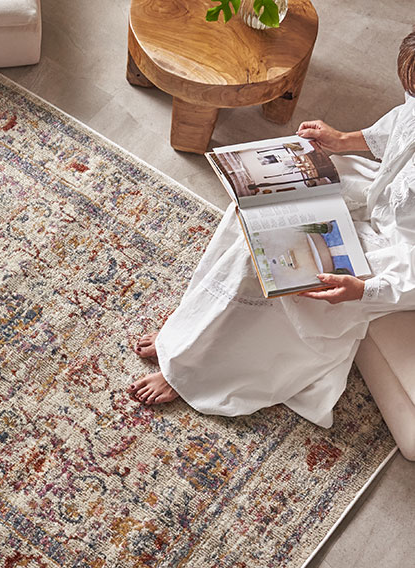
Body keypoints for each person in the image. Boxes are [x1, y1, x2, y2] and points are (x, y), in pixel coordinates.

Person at [129, 31, 415, 428]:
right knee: (254, 205)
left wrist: (365, 290)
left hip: (400, 259)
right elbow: (403, 125)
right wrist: (342, 140)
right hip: (379, 193)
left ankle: (190, 368)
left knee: (271, 257)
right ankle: (193, 325)